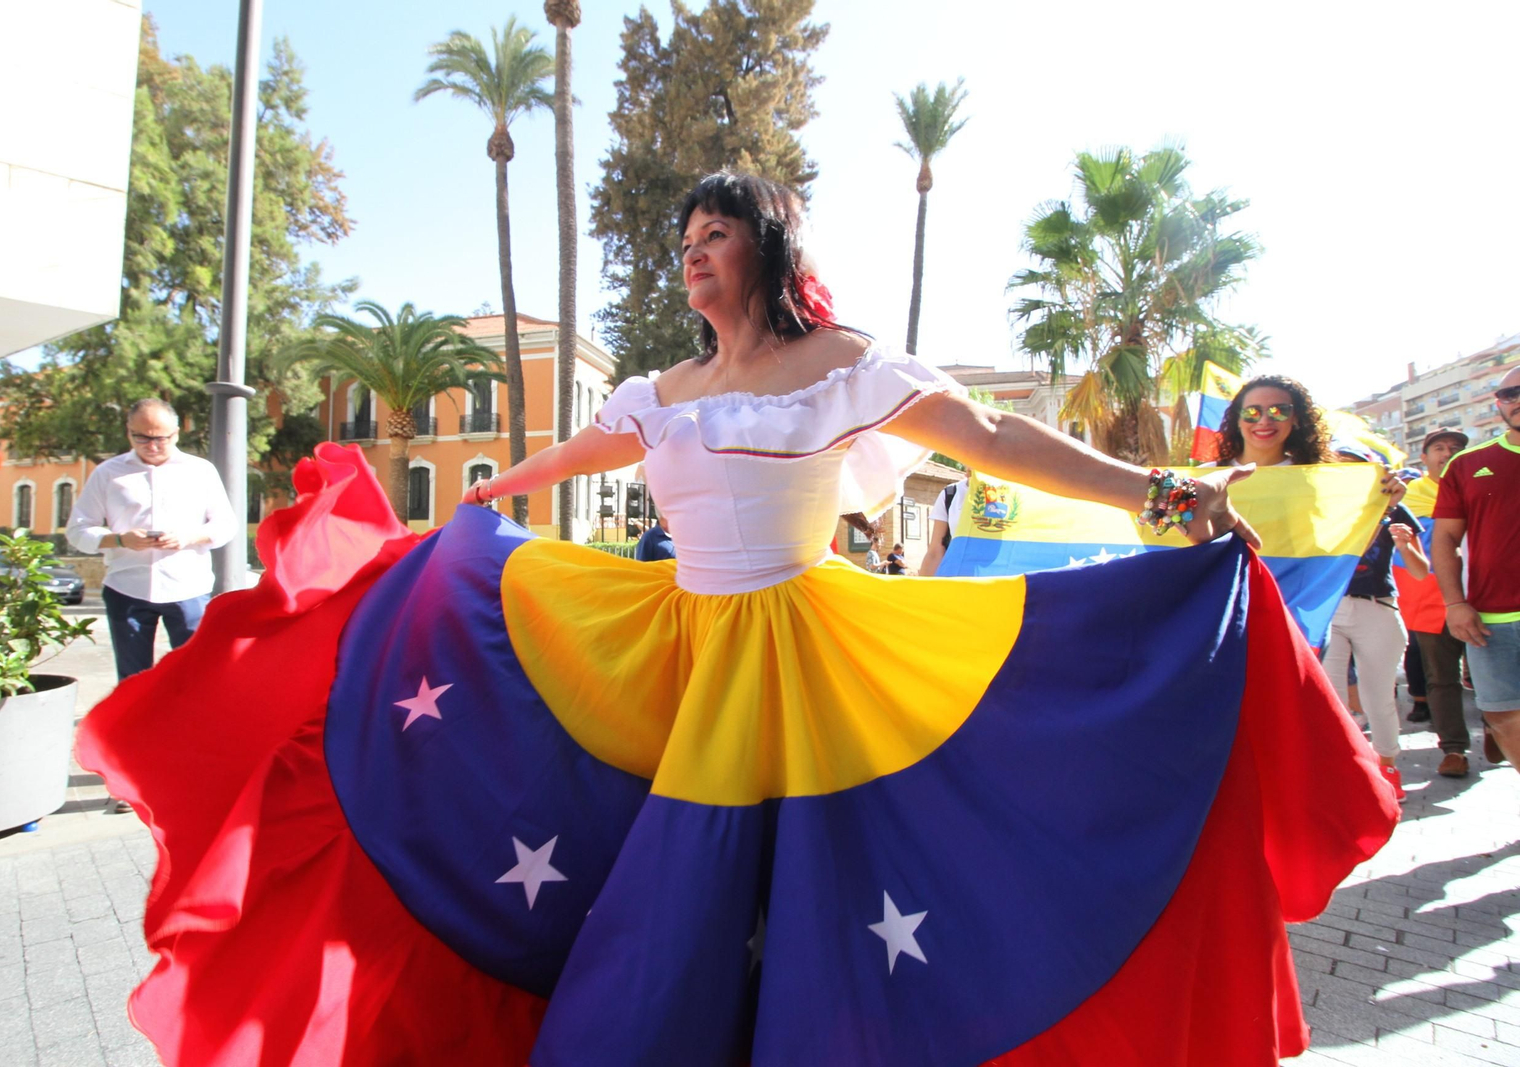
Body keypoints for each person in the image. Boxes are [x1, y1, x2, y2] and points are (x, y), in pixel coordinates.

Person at [80, 173, 1394, 1066]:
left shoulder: (845, 368)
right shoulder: (662, 387)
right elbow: (569, 459)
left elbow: (993, 438)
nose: (692, 254)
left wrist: (1158, 488)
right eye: (683, 242)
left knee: (776, 882)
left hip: (804, 647)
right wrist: (459, 522)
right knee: (660, 868)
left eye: (714, 234)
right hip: (671, 639)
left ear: (768, 250)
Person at [66, 398, 235, 681]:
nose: (152, 445)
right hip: (126, 588)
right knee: (133, 679)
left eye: (161, 438)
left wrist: (188, 536)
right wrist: (120, 540)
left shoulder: (200, 470)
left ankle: (190, 725)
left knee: (197, 673)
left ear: (177, 433)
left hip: (188, 588)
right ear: (128, 432)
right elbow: (77, 530)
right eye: (141, 437)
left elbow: (226, 525)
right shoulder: (108, 473)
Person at [1321, 444, 1423, 799]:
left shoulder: (1395, 509)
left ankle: (1387, 766)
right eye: (1337, 467)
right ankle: (1345, 771)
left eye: (1355, 467)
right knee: (1330, 698)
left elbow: (1421, 570)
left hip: (1377, 606)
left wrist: (1404, 541)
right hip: (1331, 609)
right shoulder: (1320, 511)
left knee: (1377, 695)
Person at [1432, 366, 1520, 770]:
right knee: (1502, 715)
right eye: (1508, 394)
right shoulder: (1467, 465)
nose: (1516, 400)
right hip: (1490, 620)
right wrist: (1454, 603)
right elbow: (1445, 540)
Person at [1397, 428, 1487, 776]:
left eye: (1455, 448)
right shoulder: (1408, 495)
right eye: (1438, 447)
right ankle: (1454, 749)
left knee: (1491, 673)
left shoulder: (1482, 487)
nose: (1446, 452)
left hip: (1485, 595)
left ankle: (1497, 731)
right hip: (1432, 600)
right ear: (1424, 458)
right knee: (1441, 678)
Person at [1214, 374, 1333, 467]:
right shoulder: (1205, 478)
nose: (1264, 421)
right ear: (1238, 419)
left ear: (1295, 418)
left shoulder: (1318, 479)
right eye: (1252, 412)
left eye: (1279, 411)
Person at [918, 475, 968, 576]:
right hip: (958, 581)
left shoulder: (1008, 492)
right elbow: (936, 551)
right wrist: (922, 590)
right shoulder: (951, 493)